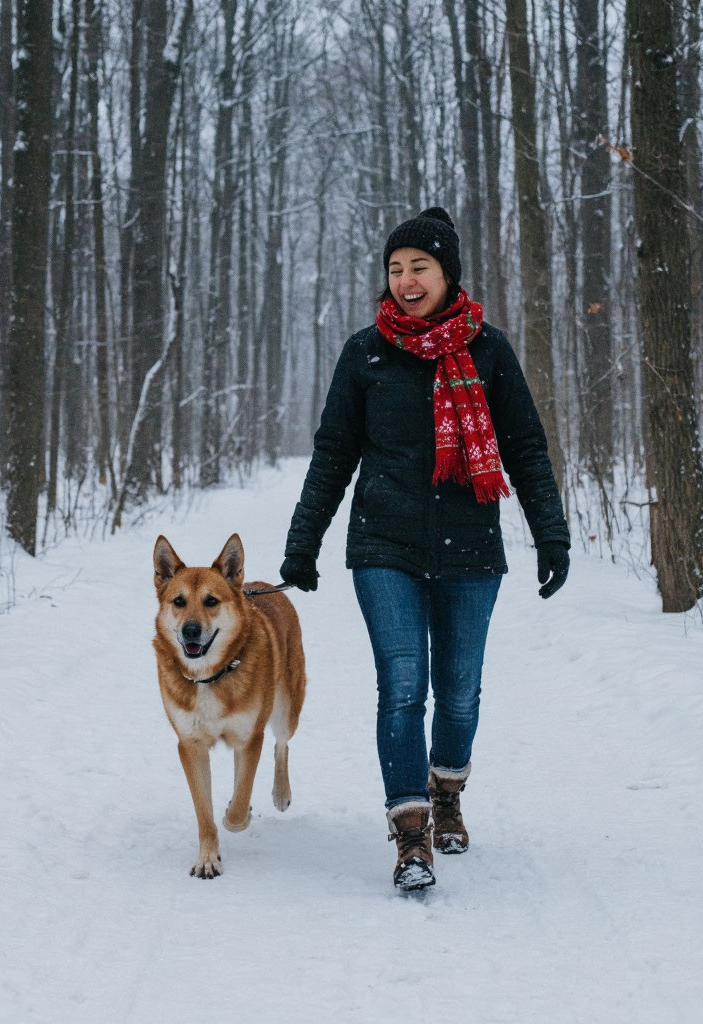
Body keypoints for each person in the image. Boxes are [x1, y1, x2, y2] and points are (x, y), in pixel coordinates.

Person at [279, 207, 570, 892]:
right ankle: (412, 835)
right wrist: (303, 543)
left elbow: (525, 447)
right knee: (403, 685)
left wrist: (550, 532)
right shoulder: (366, 353)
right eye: (396, 268)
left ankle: (446, 794)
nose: (406, 281)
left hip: (471, 546)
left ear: (448, 275)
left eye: (420, 268)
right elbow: (332, 454)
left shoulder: (489, 351)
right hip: (385, 545)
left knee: (460, 694)